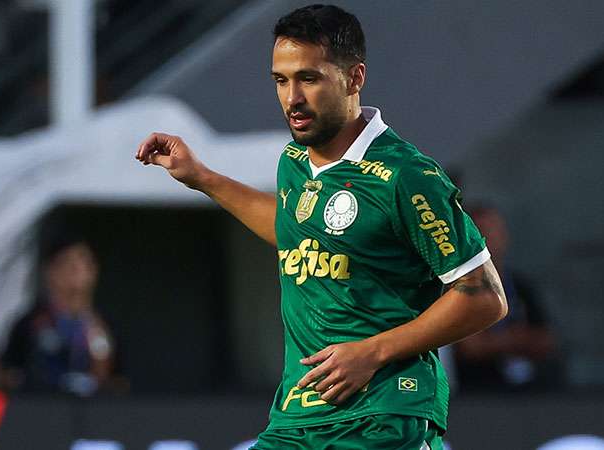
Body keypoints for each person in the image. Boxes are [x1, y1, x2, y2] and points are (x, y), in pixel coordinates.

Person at [135, 5, 507, 449]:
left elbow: (484, 296)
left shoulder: (407, 176)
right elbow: (293, 229)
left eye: (308, 78)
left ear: (354, 78)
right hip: (297, 417)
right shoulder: (294, 161)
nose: (292, 98)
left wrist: (373, 351)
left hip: (382, 415)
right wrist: (203, 178)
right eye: (280, 80)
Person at [452, 205, 556, 390]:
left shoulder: (520, 286)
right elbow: (470, 348)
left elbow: (546, 340)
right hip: (476, 393)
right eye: (482, 231)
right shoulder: (455, 287)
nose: (490, 238)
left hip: (527, 390)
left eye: (495, 230)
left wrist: (495, 341)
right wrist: (515, 339)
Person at [0, 236, 115, 396]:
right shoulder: (31, 323)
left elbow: (116, 380)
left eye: (83, 263)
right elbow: (5, 373)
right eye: (67, 263)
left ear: (93, 272)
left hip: (91, 414)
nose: (76, 269)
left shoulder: (105, 325)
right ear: (50, 272)